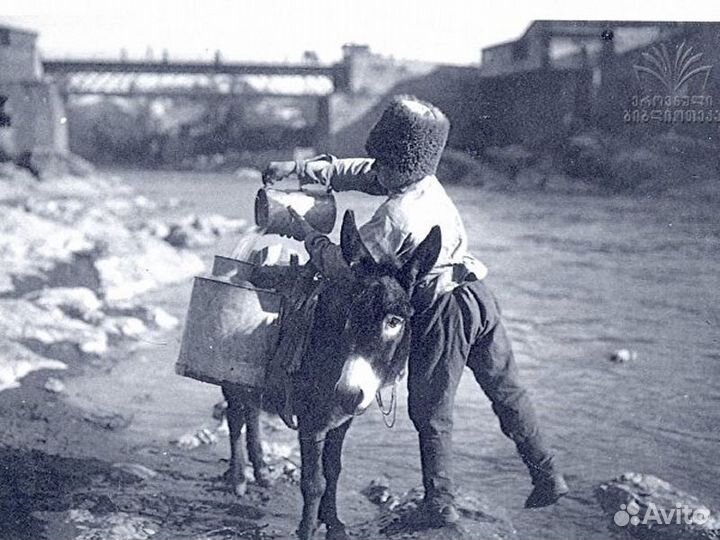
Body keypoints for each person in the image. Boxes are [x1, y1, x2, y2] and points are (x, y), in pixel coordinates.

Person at [262, 95, 569, 526]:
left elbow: (346, 267)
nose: (376, 170)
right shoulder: (426, 182)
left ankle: (440, 506)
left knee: (430, 410)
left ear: (397, 165)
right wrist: (299, 171)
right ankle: (547, 473)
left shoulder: (396, 217)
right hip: (479, 295)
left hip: (443, 310)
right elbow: (364, 173)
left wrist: (303, 231)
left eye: (382, 163)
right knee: (506, 389)